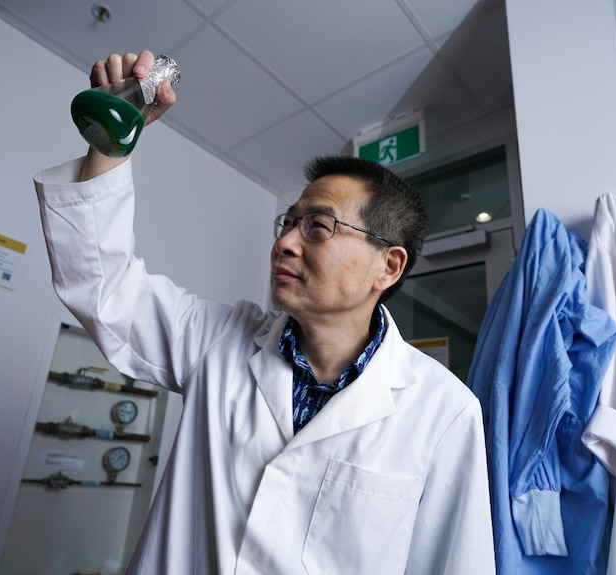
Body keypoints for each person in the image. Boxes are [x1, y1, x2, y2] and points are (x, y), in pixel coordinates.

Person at [35, 50, 495, 575]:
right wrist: (109, 145)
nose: (285, 243)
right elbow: (104, 288)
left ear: (387, 267)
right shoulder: (219, 340)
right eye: (288, 222)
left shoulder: (444, 410)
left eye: (318, 227)